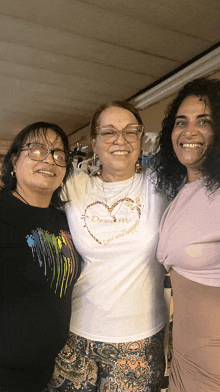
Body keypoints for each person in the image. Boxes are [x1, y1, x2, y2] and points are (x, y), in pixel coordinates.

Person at [48, 101, 168, 392]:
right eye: (109, 132)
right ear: (94, 143)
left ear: (140, 139)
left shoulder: (161, 184)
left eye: (131, 131)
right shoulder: (73, 186)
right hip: (75, 335)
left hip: (138, 342)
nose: (121, 140)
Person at [149, 77, 220, 391]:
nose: (189, 131)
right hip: (183, 362)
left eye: (203, 121)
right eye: (181, 122)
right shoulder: (183, 190)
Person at [0, 122, 81, 392]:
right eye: (37, 149)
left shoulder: (63, 218)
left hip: (48, 372)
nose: (49, 159)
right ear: (14, 160)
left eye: (59, 154)